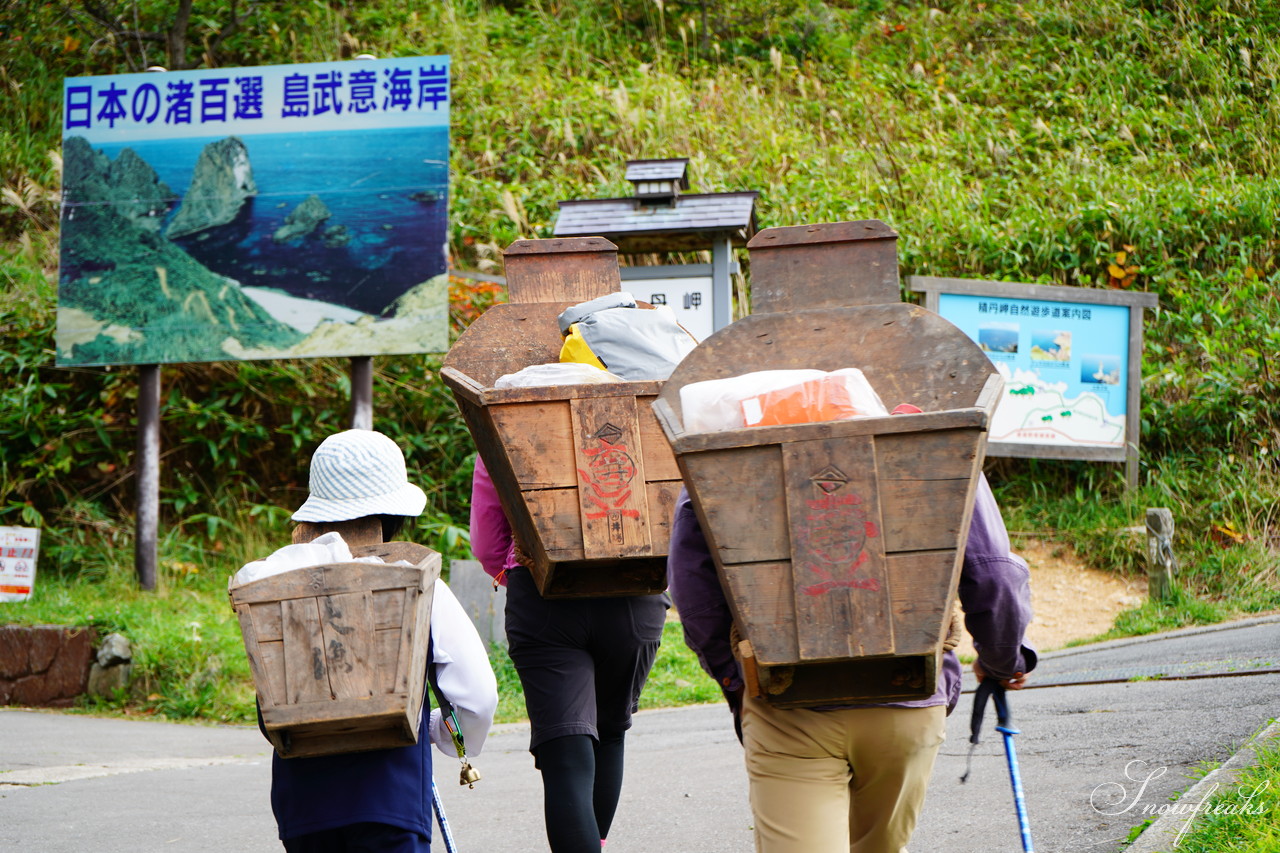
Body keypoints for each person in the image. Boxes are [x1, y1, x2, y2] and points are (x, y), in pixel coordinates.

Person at [666, 473, 1035, 853]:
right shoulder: (939, 440)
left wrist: (736, 678)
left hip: (789, 707)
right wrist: (1002, 660)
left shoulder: (723, 442)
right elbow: (994, 574)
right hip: (907, 695)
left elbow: (692, 584)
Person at [244, 429, 499, 852]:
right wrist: (442, 735)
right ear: (393, 513)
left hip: (302, 808)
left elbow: (269, 707)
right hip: (391, 800)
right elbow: (477, 697)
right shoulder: (417, 581)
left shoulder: (271, 584)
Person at [470, 456, 666, 852]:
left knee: (566, 753)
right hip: (635, 588)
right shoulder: (645, 406)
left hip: (543, 593)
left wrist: (520, 574)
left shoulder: (505, 413)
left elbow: (488, 540)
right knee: (610, 731)